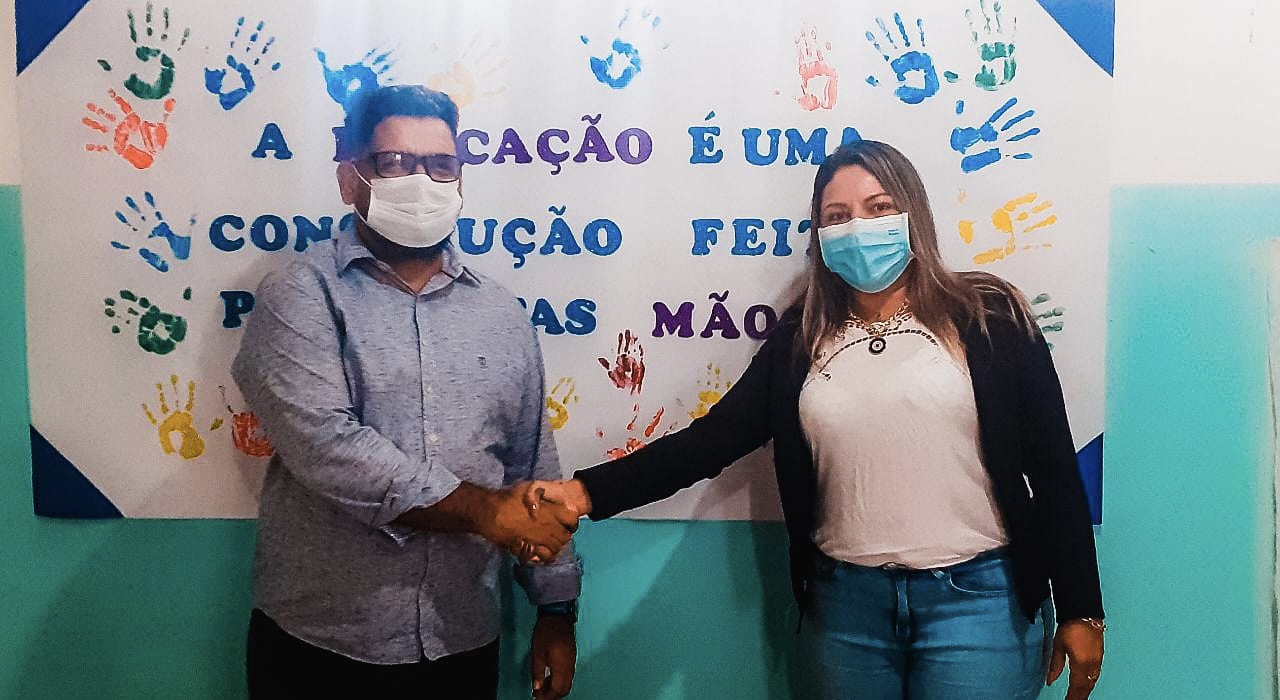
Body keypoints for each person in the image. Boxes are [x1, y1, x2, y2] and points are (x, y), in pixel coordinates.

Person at [531, 140, 1104, 699]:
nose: (858, 227)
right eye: (837, 216)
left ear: (914, 216)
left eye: (879, 208)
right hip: (847, 608)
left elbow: (1054, 468)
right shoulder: (800, 337)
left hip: (979, 602)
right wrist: (584, 493)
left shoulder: (990, 318)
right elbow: (712, 441)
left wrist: (1081, 608)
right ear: (820, 236)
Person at [232, 84, 581, 700]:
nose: (421, 181)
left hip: (460, 638)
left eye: (440, 164)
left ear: (460, 181)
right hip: (320, 642)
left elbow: (532, 466)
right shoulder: (301, 294)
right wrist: (486, 512)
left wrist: (556, 608)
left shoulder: (502, 314)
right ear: (350, 179)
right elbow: (327, 447)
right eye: (394, 162)